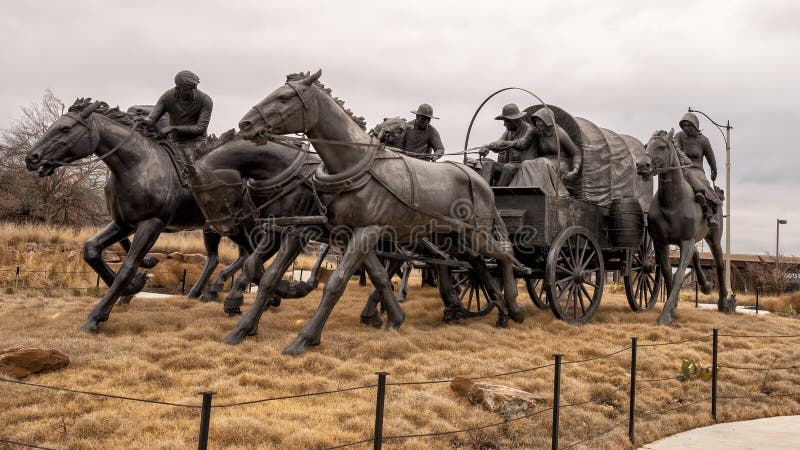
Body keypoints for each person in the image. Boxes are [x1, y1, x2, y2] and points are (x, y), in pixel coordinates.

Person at [142, 70, 213, 163]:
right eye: (189, 89)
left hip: (196, 143)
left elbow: (200, 128)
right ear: (178, 89)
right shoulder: (167, 97)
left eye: (195, 88)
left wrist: (173, 128)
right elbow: (152, 119)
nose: (193, 91)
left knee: (192, 164)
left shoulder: (205, 100)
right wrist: (143, 120)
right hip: (173, 142)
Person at [674, 112, 722, 227]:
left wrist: (714, 170)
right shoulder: (679, 136)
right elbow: (675, 147)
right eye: (684, 125)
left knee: (705, 187)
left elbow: (711, 158)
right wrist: (684, 159)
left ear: (695, 125)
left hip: (697, 170)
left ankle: (709, 214)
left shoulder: (703, 140)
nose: (686, 128)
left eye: (688, 125)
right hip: (681, 168)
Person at [479, 104, 535, 186]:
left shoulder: (530, 130)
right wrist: (488, 147)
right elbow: (499, 143)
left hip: (525, 167)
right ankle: (484, 191)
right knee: (489, 164)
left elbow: (522, 144)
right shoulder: (509, 131)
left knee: (508, 167)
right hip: (509, 165)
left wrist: (503, 143)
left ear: (516, 120)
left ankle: (499, 193)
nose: (504, 124)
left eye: (507, 121)